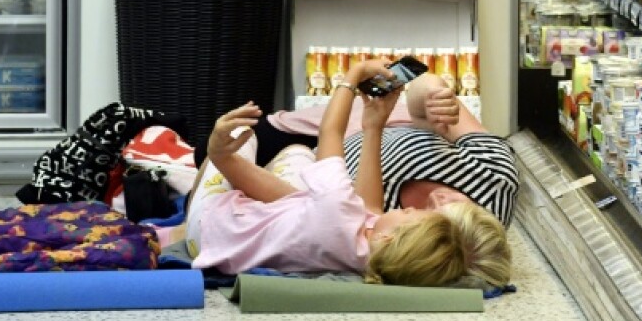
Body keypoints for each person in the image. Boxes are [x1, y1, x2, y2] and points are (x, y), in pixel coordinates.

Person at [185, 59, 512, 288]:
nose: (434, 199)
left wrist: (351, 77)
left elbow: (331, 132)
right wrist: (417, 104)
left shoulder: (360, 218)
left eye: (427, 213)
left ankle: (210, 179)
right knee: (295, 173)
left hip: (214, 226)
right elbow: (367, 209)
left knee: (238, 142)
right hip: (314, 191)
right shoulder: (376, 251)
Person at [195, 68, 520, 227]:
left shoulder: (387, 223)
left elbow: (312, 194)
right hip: (367, 123)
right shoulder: (493, 180)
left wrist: (349, 83)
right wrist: (437, 97)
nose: (439, 196)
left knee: (218, 150)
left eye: (435, 216)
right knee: (216, 146)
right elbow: (424, 85)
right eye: (459, 203)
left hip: (332, 152)